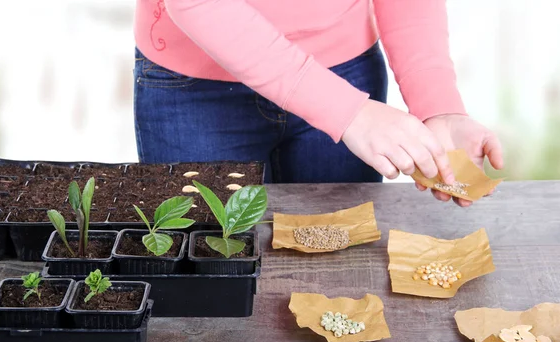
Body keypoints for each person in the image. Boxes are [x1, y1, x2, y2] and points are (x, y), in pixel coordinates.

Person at [133, 0, 503, 207]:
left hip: (348, 73)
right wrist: (348, 113)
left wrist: (437, 103)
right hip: (194, 89)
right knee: (206, 284)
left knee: (340, 276)